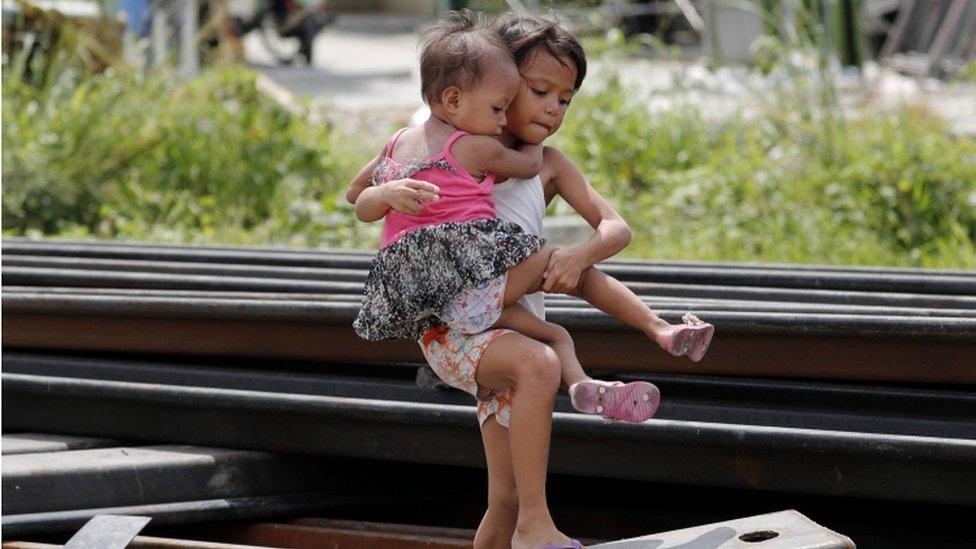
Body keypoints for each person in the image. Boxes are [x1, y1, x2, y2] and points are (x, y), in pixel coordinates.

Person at [347, 12, 714, 549]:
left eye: (564, 100)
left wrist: (580, 254)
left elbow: (615, 227)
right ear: (495, 85)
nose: (550, 108)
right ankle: (543, 513)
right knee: (543, 354)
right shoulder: (465, 149)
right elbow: (370, 188)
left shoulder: (544, 163)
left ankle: (632, 352)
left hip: (512, 319)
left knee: (505, 500)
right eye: (533, 91)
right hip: (463, 330)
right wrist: (391, 189)